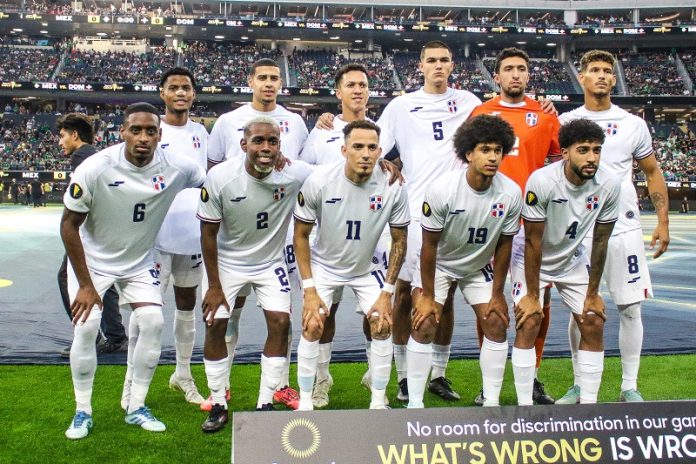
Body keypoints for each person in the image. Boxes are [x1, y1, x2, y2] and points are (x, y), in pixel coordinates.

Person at [61, 102, 205, 439]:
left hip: (139, 261)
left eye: (150, 131)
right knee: (87, 326)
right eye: (136, 130)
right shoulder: (97, 167)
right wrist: (86, 285)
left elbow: (216, 182)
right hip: (93, 262)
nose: (143, 137)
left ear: (159, 135)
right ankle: (82, 411)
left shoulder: (177, 166)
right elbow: (68, 225)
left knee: (153, 322)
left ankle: (136, 406)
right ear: (122, 132)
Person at [557, 50, 670, 403]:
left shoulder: (632, 123)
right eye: (595, 70)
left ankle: (629, 386)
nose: (602, 75)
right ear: (582, 77)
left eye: (608, 70)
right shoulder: (565, 121)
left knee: (631, 307)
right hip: (579, 230)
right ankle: (579, 383)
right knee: (581, 309)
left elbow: (652, 172)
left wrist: (662, 221)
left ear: (614, 77)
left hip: (623, 227)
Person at [377, 41, 481, 402]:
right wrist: (385, 161)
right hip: (414, 211)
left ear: (452, 66)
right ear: (420, 66)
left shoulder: (469, 102)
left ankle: (438, 373)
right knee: (406, 293)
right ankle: (405, 376)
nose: (438, 65)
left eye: (444, 60)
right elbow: (376, 144)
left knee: (445, 294)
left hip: (458, 210)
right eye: (431, 60)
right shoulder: (401, 106)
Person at [197, 117, 313, 433]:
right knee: (215, 324)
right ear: (243, 144)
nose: (265, 147)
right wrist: (214, 286)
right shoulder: (221, 177)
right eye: (258, 141)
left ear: (280, 146)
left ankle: (265, 403)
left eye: (272, 141)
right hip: (227, 263)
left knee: (281, 323)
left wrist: (383, 164)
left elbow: (335, 173)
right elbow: (207, 234)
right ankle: (218, 403)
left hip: (269, 263)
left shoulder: (295, 173)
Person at [294, 120, 409, 411]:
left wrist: (387, 293)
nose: (365, 154)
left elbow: (399, 241)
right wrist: (309, 290)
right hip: (325, 265)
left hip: (366, 267)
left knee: (382, 323)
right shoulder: (320, 181)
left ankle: (378, 399)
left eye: (372, 147)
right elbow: (301, 236)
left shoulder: (393, 185)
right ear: (344, 150)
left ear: (380, 152)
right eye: (358, 147)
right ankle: (311, 394)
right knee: (313, 323)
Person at [408, 115, 521, 408]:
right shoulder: (442, 189)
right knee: (424, 321)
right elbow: (429, 246)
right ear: (469, 153)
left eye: (498, 150)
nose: (493, 157)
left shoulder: (511, 192)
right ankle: (415, 404)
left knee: (496, 321)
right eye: (485, 150)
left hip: (477, 266)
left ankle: (491, 401)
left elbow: (505, 244)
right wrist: (427, 296)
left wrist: (498, 293)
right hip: (440, 263)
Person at [469, 47, 560, 406]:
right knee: (488, 303)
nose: (516, 74)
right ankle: (488, 381)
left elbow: (559, 166)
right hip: (489, 224)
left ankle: (532, 375)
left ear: (529, 75)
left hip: (532, 224)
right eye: (508, 69)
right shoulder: (481, 113)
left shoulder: (546, 115)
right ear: (497, 76)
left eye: (522, 68)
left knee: (537, 301)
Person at [299, 63, 389, 408]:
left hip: (369, 236)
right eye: (350, 85)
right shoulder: (322, 130)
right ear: (338, 92)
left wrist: (391, 165)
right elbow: (303, 171)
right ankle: (321, 379)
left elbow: (387, 168)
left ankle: (373, 375)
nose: (358, 90)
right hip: (328, 234)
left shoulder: (381, 129)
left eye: (363, 85)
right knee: (326, 312)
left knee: (375, 314)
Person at [512, 118, 620, 405]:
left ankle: (589, 406)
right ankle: (524, 406)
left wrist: (593, 293)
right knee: (529, 319)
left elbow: (600, 241)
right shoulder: (542, 181)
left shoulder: (609, 184)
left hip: (571, 259)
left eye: (597, 150)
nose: (592, 158)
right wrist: (533, 295)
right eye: (583, 150)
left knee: (593, 320)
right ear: (565, 153)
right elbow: (533, 241)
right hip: (531, 257)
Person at [145, 67, 208, 405]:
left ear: (193, 94)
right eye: (174, 87)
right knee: (147, 311)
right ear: (162, 93)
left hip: (191, 234)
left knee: (187, 303)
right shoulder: (150, 129)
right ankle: (134, 384)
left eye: (186, 87)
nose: (181, 93)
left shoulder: (201, 132)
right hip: (154, 235)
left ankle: (182, 374)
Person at [56, 113, 128, 357]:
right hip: (105, 228)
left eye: (63, 136)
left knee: (67, 277)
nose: (60, 142)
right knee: (103, 279)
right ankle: (115, 336)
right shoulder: (96, 155)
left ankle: (89, 336)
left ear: (75, 135)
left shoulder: (82, 157)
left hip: (91, 231)